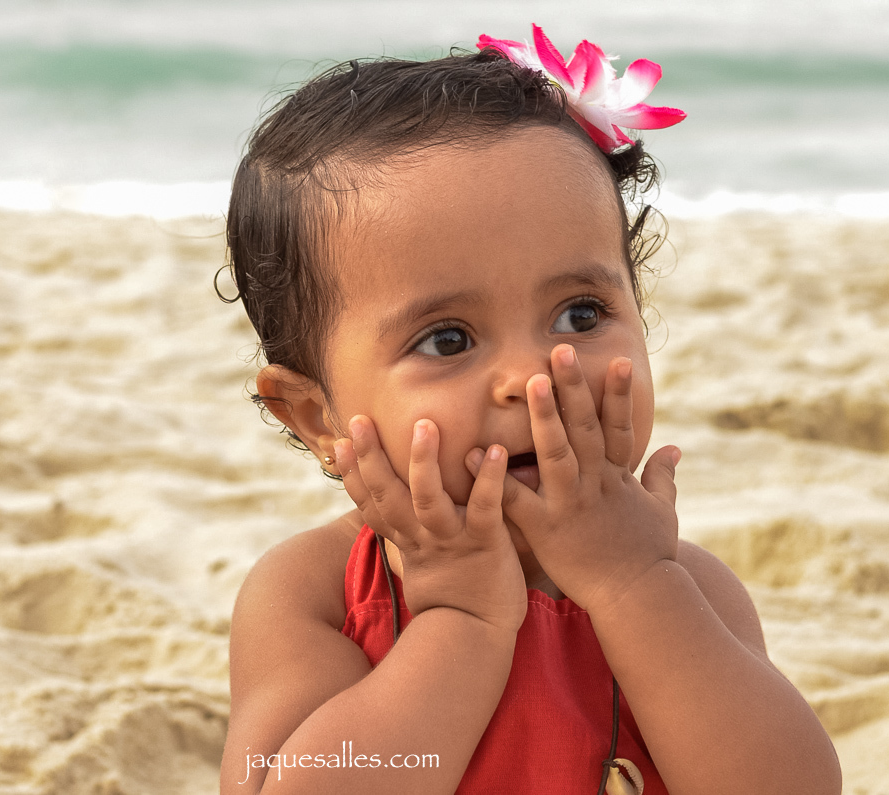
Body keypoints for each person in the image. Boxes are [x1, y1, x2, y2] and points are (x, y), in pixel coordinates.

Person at [218, 24, 842, 794]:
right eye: (447, 339)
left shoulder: (688, 587)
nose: (534, 376)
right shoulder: (314, 592)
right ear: (316, 417)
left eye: (581, 314)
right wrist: (461, 622)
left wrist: (634, 585)